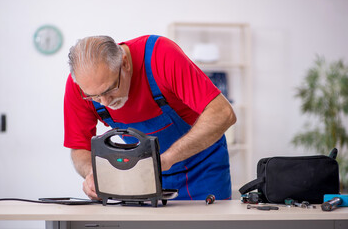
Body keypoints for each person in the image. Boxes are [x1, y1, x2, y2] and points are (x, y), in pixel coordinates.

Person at [64, 35, 236, 201]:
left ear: (125, 63)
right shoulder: (81, 86)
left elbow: (223, 113)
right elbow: (79, 147)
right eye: (94, 96)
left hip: (203, 169)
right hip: (146, 176)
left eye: (110, 89)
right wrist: (92, 173)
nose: (105, 102)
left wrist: (167, 159)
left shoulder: (160, 56)